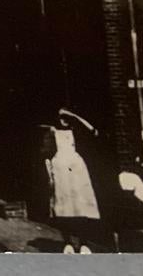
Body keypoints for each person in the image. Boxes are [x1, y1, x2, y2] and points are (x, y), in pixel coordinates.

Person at [44, 108, 101, 254]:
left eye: (67, 118)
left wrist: (75, 116)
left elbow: (93, 131)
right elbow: (46, 154)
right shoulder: (52, 132)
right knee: (63, 207)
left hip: (77, 170)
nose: (64, 120)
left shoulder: (76, 131)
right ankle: (67, 242)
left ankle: (83, 243)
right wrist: (49, 175)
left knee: (81, 206)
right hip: (60, 171)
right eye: (61, 117)